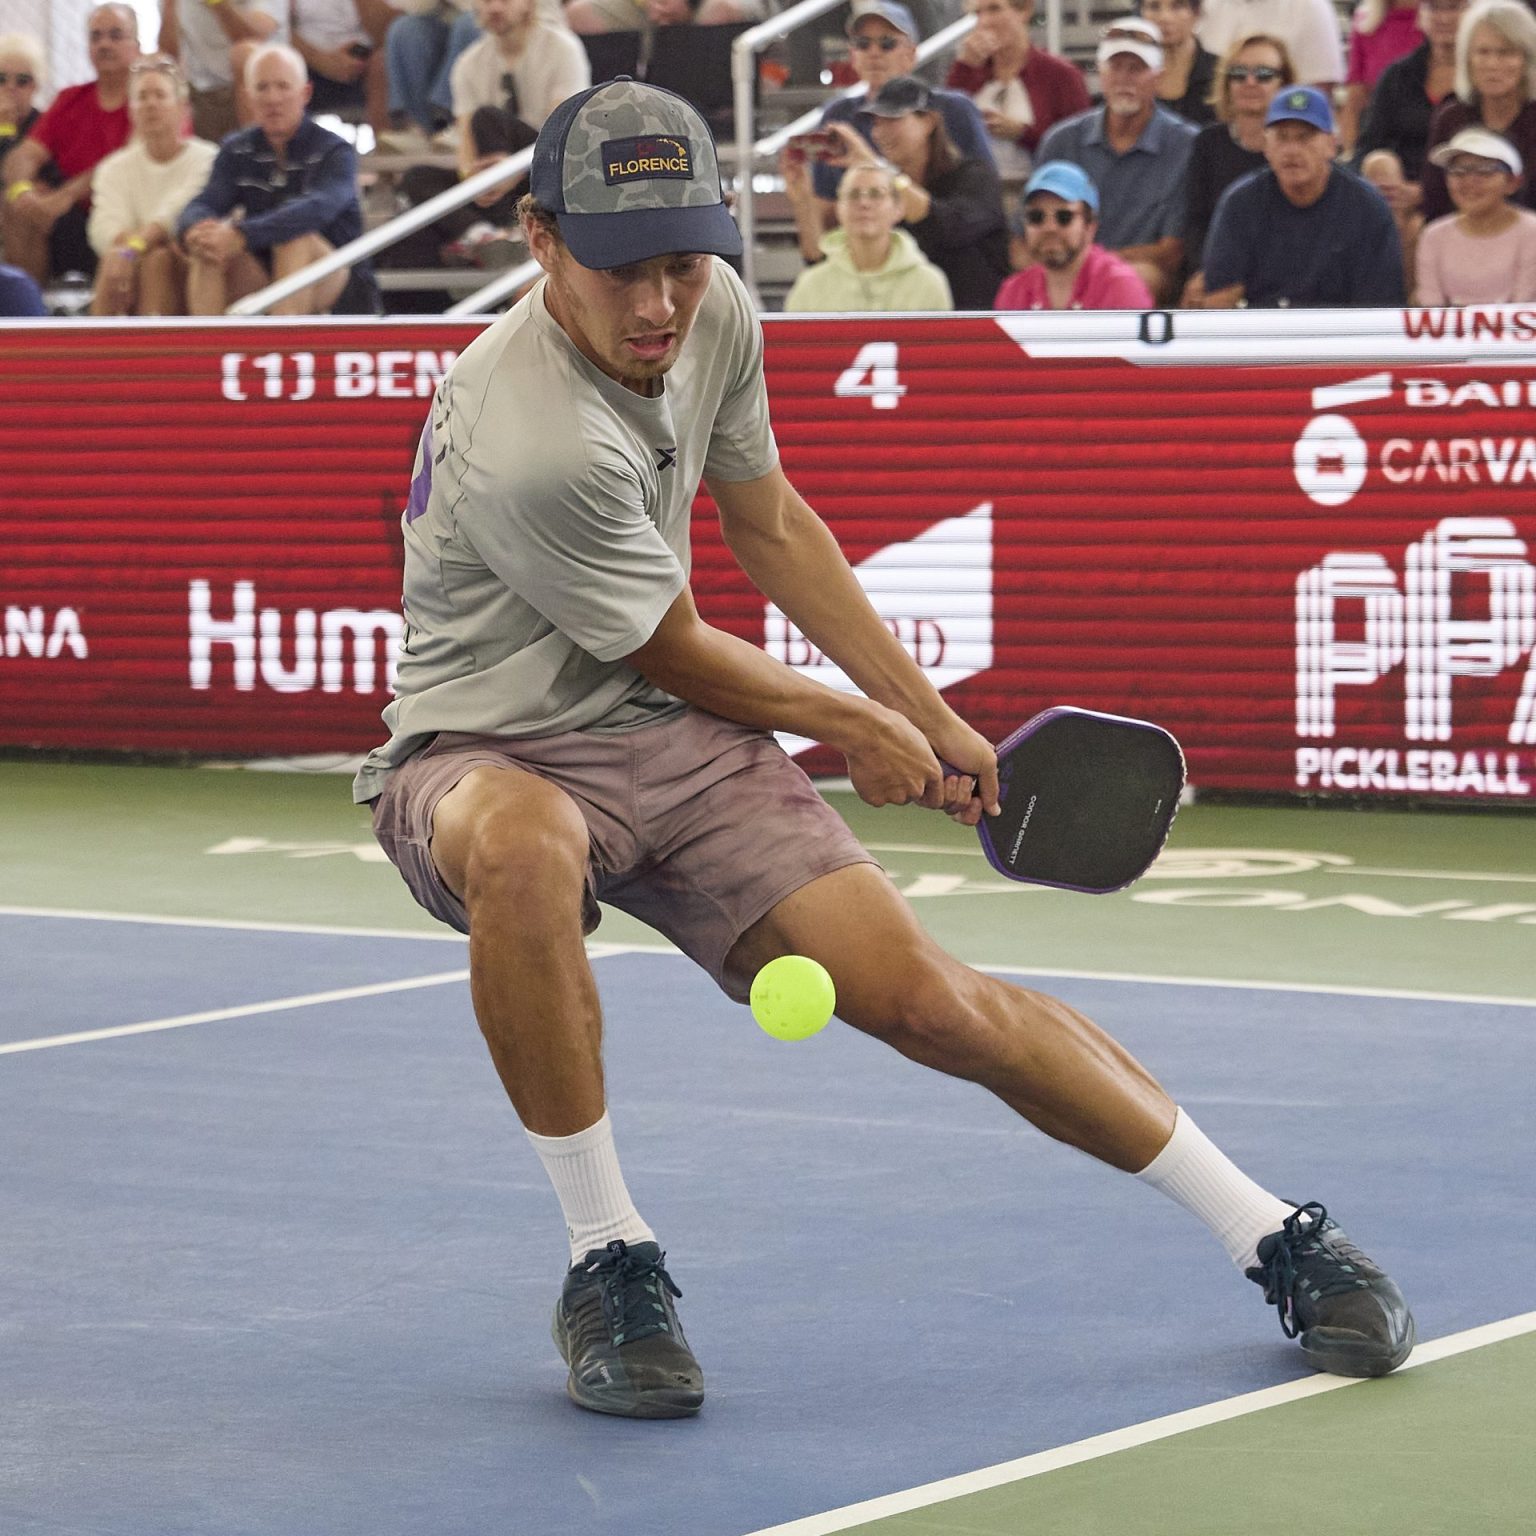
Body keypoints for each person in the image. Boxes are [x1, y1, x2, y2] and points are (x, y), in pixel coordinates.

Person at [354, 73, 1415, 1422]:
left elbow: (773, 522)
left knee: (931, 1001)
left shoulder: (712, 313)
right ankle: (606, 1256)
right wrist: (857, 725)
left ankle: (1269, 1230)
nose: (658, 306)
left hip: (676, 745)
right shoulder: (527, 435)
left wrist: (927, 712)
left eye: (683, 263)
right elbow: (669, 643)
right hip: (485, 744)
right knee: (525, 846)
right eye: (622, 269)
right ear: (540, 237)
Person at [387, 0, 587, 272]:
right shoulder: (468, 62)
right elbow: (466, 148)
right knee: (417, 177)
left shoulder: (562, 48)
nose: (494, 8)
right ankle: (482, 233)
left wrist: (509, 172)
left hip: (546, 169)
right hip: (495, 184)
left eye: (505, 1)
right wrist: (475, 179)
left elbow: (560, 133)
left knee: (488, 117)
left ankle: (508, 226)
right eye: (486, 0)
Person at [177, 43, 367, 313]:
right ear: (248, 96)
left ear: (306, 93)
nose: (273, 98)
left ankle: (282, 349)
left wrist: (242, 234)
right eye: (262, 88)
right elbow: (205, 201)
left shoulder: (335, 150)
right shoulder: (236, 148)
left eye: (283, 86)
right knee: (209, 246)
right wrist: (196, 227)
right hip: (262, 276)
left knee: (295, 241)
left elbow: (317, 209)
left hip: (337, 279)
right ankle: (206, 351)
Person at [809, 74, 1011, 309]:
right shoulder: (886, 192)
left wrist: (875, 165)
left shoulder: (974, 176)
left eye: (892, 119)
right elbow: (829, 253)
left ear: (929, 121)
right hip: (908, 326)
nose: (880, 132)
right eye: (876, 122)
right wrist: (801, 194)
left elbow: (946, 226)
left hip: (977, 326)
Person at [797, 0, 993, 239]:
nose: (874, 52)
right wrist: (801, 195)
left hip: (950, 241)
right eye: (862, 43)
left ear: (911, 53)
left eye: (887, 43)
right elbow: (826, 208)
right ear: (852, 55)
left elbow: (983, 197)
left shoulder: (953, 108)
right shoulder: (838, 115)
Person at [1036, 19, 1197, 303]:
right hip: (1063, 267)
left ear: (1158, 76)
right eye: (1115, 66)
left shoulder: (1187, 144)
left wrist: (1095, 268)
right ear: (1101, 72)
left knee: (1138, 277)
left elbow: (1171, 251)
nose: (1125, 78)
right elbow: (1026, 233)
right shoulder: (1061, 140)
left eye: (1137, 68)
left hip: (1140, 279)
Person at [1202, 84, 1405, 305]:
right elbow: (1220, 297)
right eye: (1282, 137)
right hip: (1264, 331)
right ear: (1266, 146)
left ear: (1331, 144)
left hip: (1340, 332)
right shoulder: (1240, 204)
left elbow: (1379, 305)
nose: (1292, 150)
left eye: (1304, 137)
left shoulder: (1367, 208)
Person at [1, 4, 138, 285]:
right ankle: (31, 317)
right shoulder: (69, 99)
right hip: (69, 219)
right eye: (96, 37)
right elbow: (25, 156)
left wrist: (63, 196)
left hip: (128, 215)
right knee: (17, 204)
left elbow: (126, 160)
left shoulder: (149, 98)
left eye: (115, 35)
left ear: (136, 44)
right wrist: (23, 192)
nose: (104, 44)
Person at [88, 56, 217, 315]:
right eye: (142, 97)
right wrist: (127, 253)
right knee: (117, 259)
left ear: (182, 108)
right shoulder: (113, 168)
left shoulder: (208, 158)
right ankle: (94, 350)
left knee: (158, 260)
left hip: (190, 269)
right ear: (131, 110)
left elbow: (175, 214)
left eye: (160, 95)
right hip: (130, 268)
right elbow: (103, 226)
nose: (150, 104)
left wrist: (133, 249)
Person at [1180, 31, 1295, 305]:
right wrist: (1206, 271)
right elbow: (1196, 222)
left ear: (1284, 83)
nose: (1250, 82)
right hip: (1217, 268)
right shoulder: (1208, 142)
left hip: (1282, 271)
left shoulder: (1297, 148)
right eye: (1238, 73)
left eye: (1264, 74)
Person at [944, 0, 1091, 187]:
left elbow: (1078, 146)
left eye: (994, 9)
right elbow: (944, 132)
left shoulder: (1061, 75)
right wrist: (963, 68)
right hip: (976, 193)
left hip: (1042, 193)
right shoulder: (968, 71)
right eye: (978, 14)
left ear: (1024, 11)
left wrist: (1023, 133)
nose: (984, 22)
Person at [783, 159, 953, 311]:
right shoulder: (810, 285)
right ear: (839, 208)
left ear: (898, 208)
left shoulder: (928, 283)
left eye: (876, 194)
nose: (864, 203)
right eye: (853, 194)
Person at [1421, 0, 1536, 220]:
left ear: (1527, 60)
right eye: (1483, 52)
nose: (1492, 64)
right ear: (1467, 59)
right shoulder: (1450, 117)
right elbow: (1434, 200)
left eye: (1506, 53)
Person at [994, 159, 1153, 308]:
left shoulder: (1121, 287)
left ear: (1090, 226)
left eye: (1064, 217)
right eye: (1036, 217)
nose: (1049, 228)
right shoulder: (1013, 291)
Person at [1416, 125, 1536, 300]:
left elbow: (1525, 309)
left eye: (1485, 170)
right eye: (1458, 171)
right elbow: (1431, 310)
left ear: (1513, 182)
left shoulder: (1532, 232)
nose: (1470, 181)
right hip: (1450, 328)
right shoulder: (1433, 236)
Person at [1355, 0, 1466, 187]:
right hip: (1398, 190)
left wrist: (1422, 193)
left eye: (1454, 7)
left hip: (1467, 184)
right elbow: (1369, 145)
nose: (1444, 18)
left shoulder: (1485, 76)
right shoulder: (1397, 75)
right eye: (1434, 8)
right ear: (1421, 15)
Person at [158, 0, 288, 142]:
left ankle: (258, 152)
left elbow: (253, 37)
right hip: (201, 92)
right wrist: (170, 6)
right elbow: (168, 55)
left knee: (244, 54)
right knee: (152, 71)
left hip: (261, 89)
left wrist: (216, 3)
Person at [291, 0, 401, 137]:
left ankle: (385, 141)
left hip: (366, 61)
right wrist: (320, 59)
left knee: (382, 62)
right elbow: (278, 26)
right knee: (279, 64)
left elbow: (390, 32)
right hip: (306, 60)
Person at [1197, 0, 1344, 89]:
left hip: (1285, 128)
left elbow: (1318, 95)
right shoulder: (1204, 5)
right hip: (1208, 123)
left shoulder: (1310, 7)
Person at [1340, 0, 1423, 153]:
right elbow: (1353, 103)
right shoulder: (1365, 23)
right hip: (1377, 141)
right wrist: (1350, 156)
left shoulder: (1442, 22)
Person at [1139, 0, 1219, 125]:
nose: (1165, 17)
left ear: (1196, 13)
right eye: (1154, 7)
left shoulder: (1221, 72)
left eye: (1177, 6)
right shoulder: (1131, 75)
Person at [1361, 146, 1425, 291]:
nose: (1388, 196)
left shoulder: (1420, 229)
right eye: (1380, 190)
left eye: (1392, 190)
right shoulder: (1352, 227)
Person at [0, 32, 44, 170]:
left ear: (35, 86)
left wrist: (6, 130)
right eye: (1, 79)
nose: (10, 87)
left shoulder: (46, 127)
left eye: (22, 81)